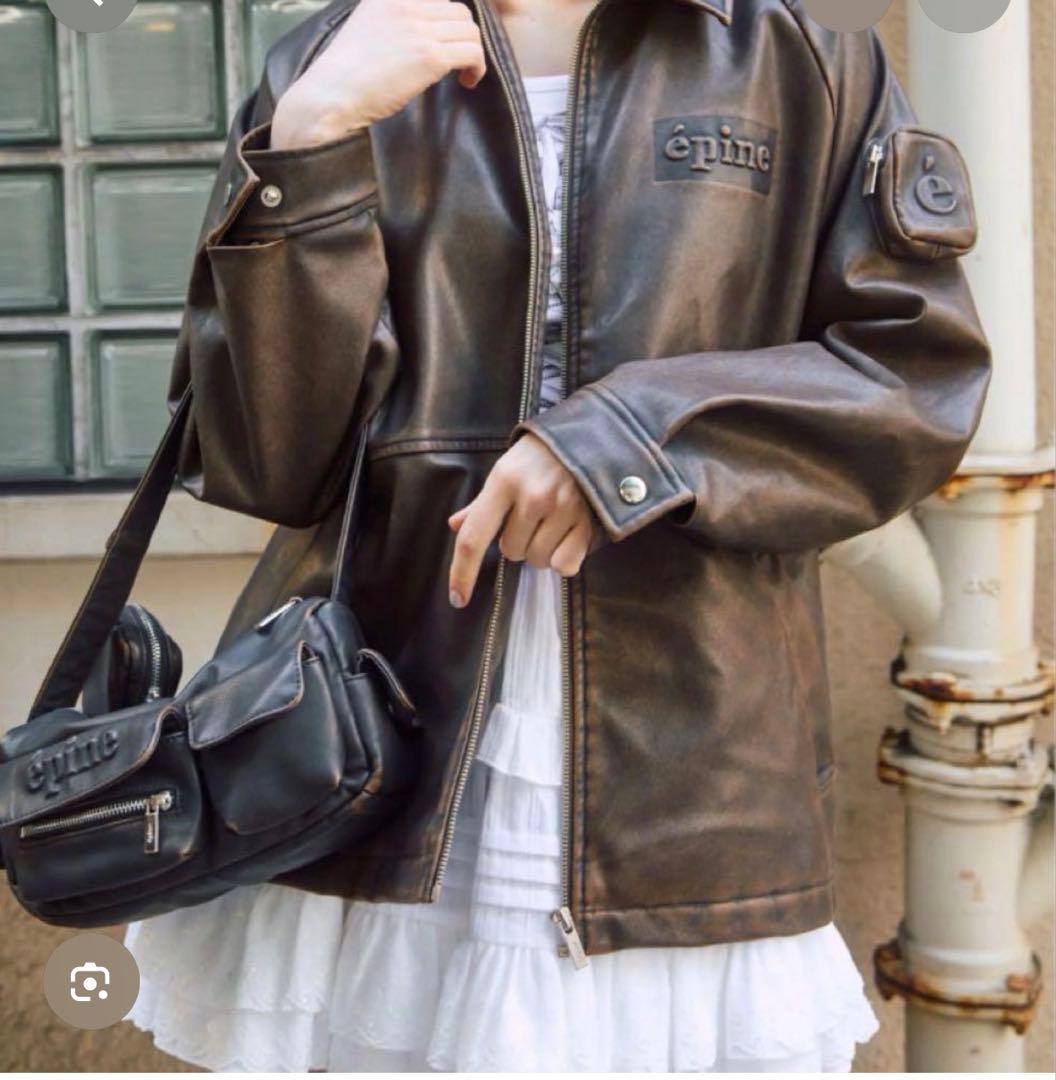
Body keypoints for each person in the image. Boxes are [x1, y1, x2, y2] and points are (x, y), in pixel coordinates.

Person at [123, 0, 991, 1071]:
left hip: (688, 767)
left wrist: (630, 443)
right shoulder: (330, 54)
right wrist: (310, 139)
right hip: (372, 747)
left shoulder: (796, 57)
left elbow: (912, 382)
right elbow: (269, 462)